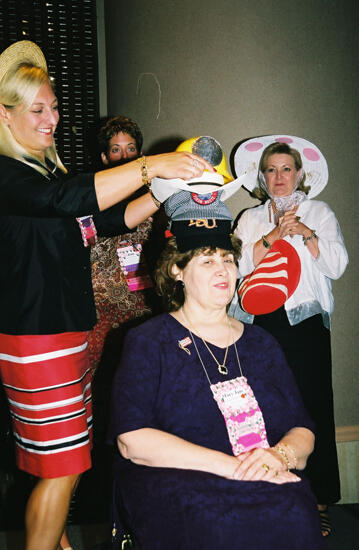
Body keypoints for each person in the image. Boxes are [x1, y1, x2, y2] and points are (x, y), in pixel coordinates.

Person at [0, 41, 212, 550]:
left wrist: (160, 194)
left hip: (62, 332)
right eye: (37, 109)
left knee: (64, 464)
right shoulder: (9, 174)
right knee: (63, 467)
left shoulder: (43, 171)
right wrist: (152, 165)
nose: (51, 118)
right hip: (36, 340)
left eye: (53, 107)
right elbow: (67, 200)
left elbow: (99, 222)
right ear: (3, 116)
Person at [107, 137, 326, 549]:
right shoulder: (148, 341)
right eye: (206, 260)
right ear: (176, 270)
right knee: (214, 523)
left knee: (295, 511)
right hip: (174, 481)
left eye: (227, 259)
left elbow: (303, 430)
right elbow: (132, 440)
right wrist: (231, 467)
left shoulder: (262, 343)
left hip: (261, 473)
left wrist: (277, 457)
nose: (222, 270)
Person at [229, 135, 348, 537]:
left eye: (286, 169)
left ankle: (318, 500)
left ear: (300, 174)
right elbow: (238, 264)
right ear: (262, 177)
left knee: (314, 404)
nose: (279, 177)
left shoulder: (320, 210)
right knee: (262, 408)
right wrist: (273, 236)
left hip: (306, 323)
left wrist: (308, 234)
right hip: (259, 322)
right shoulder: (249, 218)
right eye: (271, 170)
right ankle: (272, 492)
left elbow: (337, 265)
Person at [87, 116, 161, 375]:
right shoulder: (91, 194)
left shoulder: (155, 195)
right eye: (116, 150)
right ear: (105, 157)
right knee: (96, 378)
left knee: (140, 375)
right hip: (99, 304)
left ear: (140, 156)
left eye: (130, 149)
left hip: (140, 302)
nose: (124, 156)